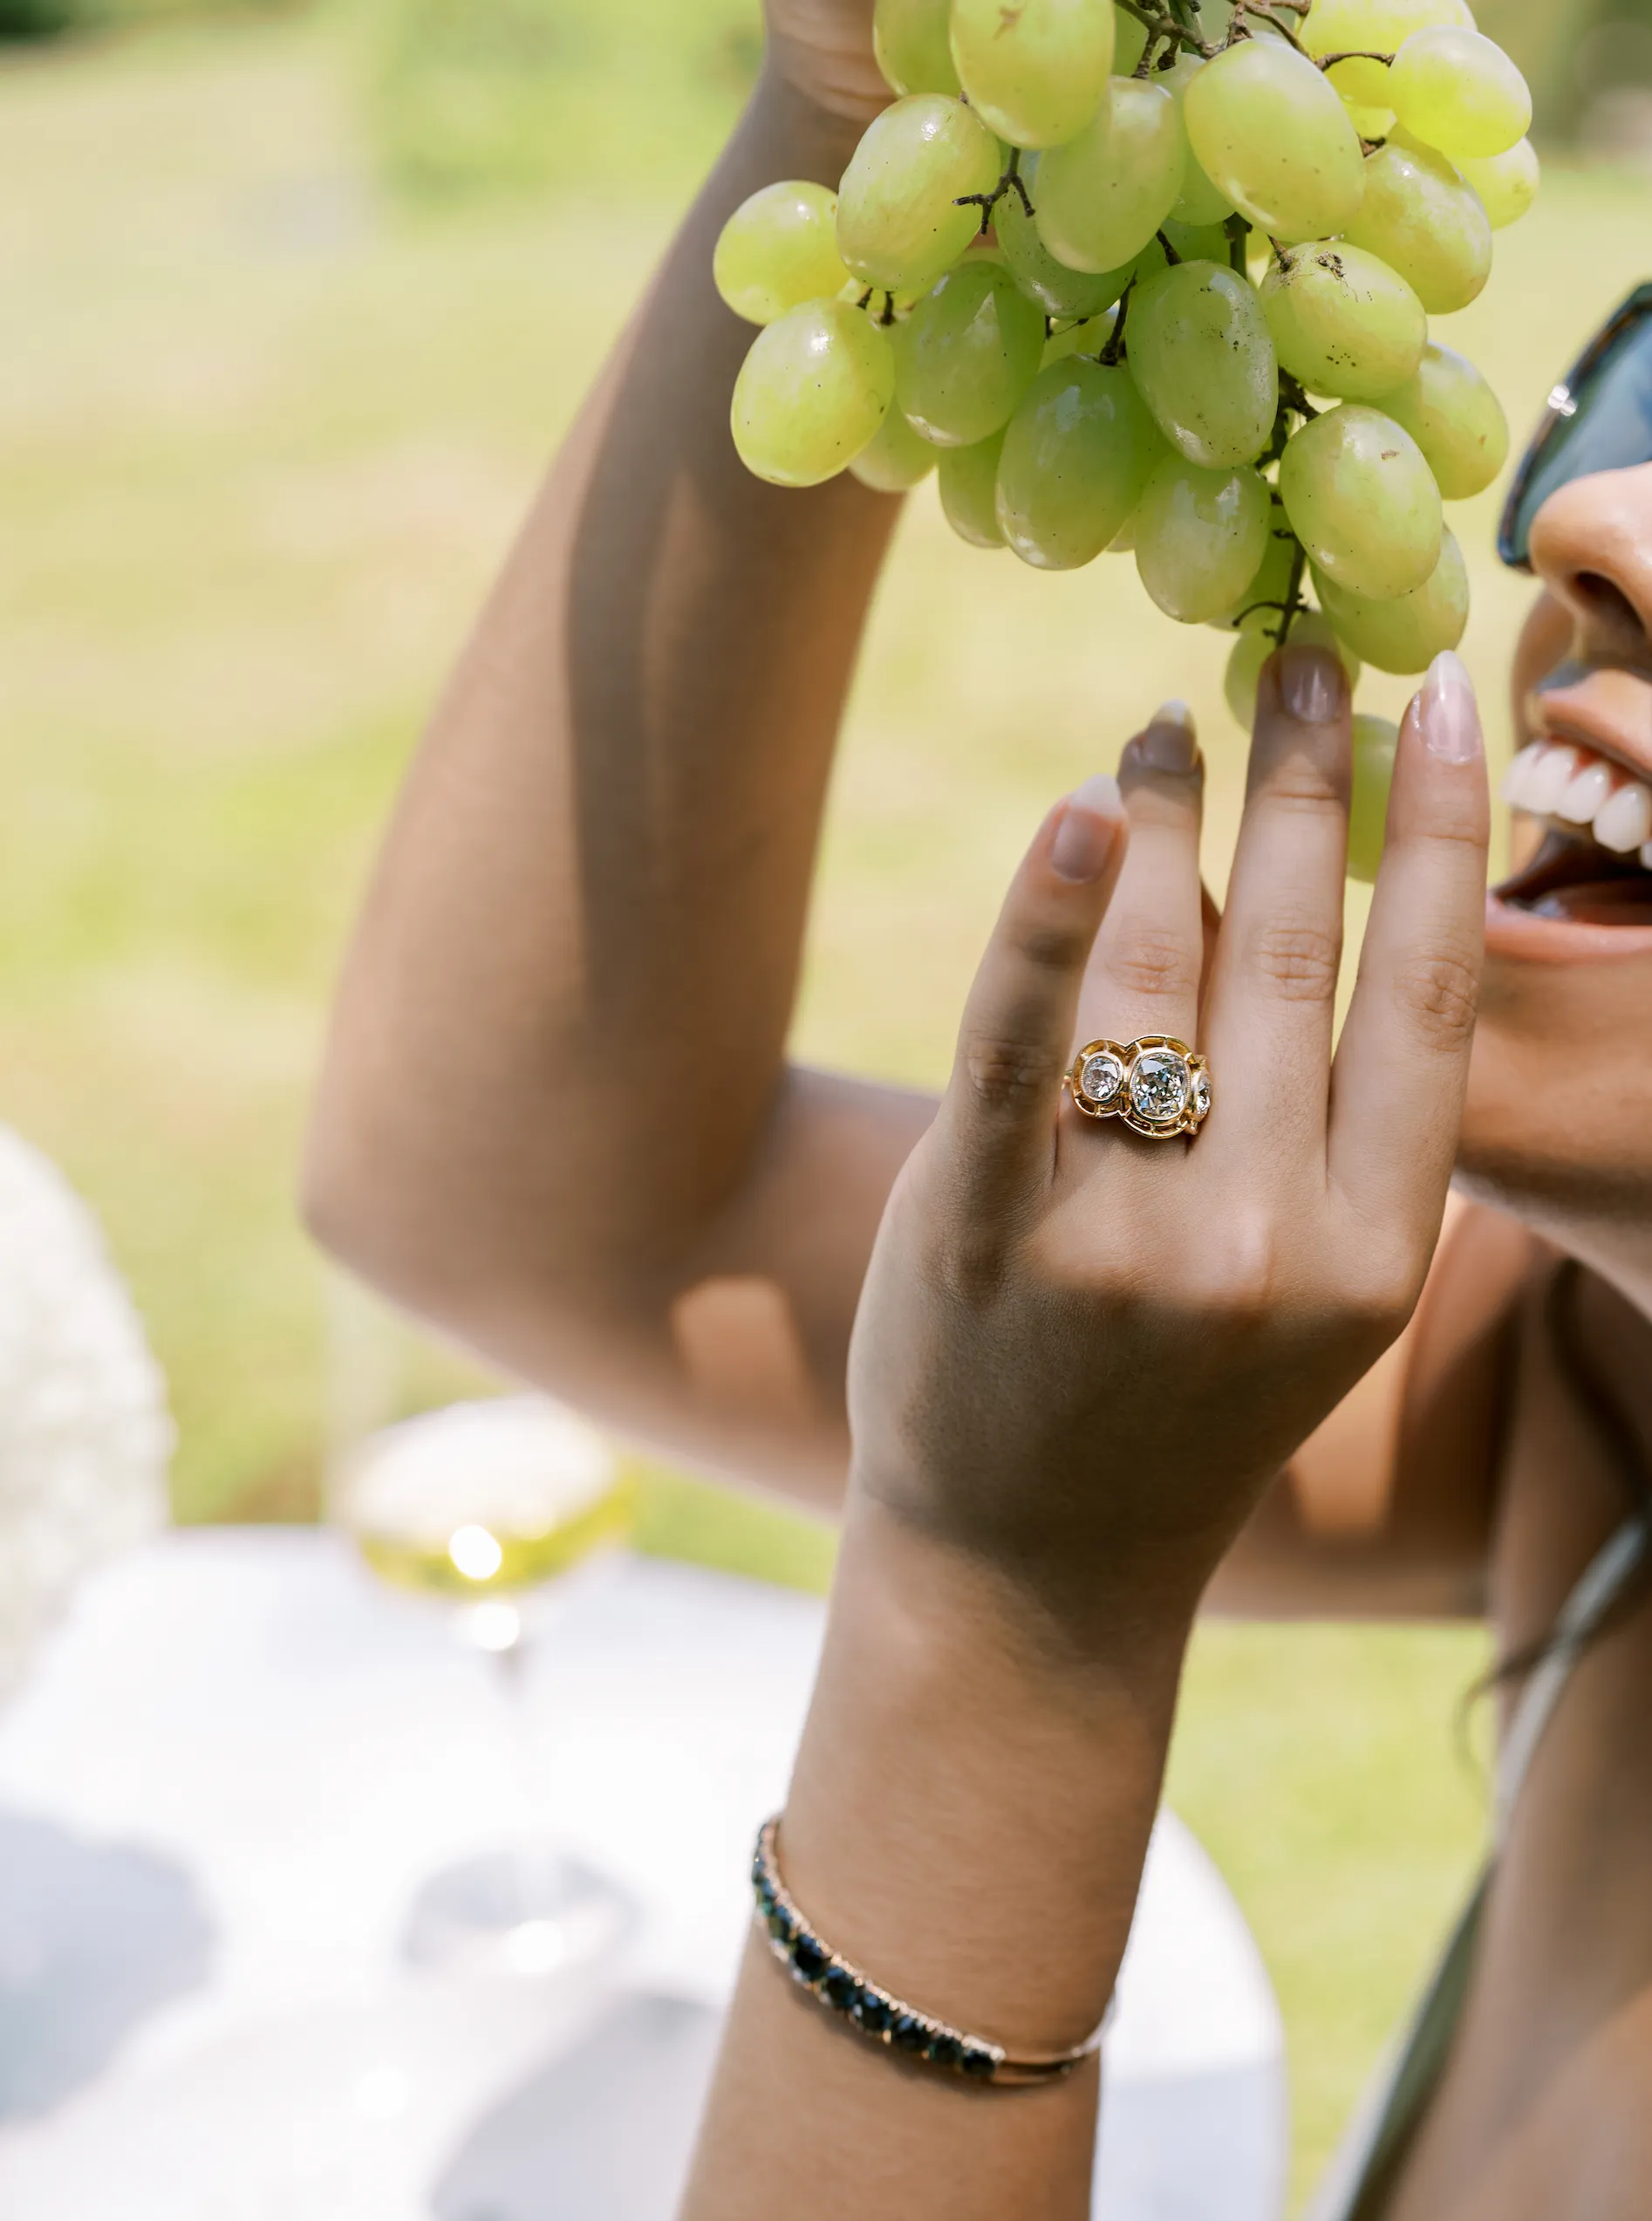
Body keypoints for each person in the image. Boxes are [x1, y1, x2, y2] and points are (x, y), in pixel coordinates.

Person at [303, 1, 1652, 2209]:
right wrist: (844, 115)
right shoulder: (1605, 1409)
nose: (1577, 510)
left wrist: (1002, 1609)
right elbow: (539, 1203)